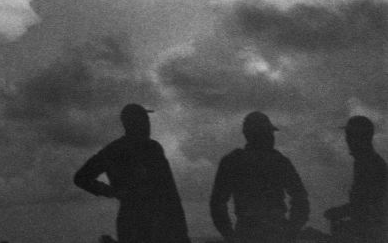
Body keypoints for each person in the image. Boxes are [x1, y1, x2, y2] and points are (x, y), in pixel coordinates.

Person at [73, 103, 190, 243]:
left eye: (147, 119)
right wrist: (112, 191)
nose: (148, 124)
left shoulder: (115, 150)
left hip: (137, 221)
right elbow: (170, 192)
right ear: (136, 123)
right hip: (151, 222)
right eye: (145, 119)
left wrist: (111, 191)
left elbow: (81, 178)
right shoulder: (151, 149)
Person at [210, 111, 309, 242]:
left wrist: (230, 236)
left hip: (249, 233)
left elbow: (217, 204)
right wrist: (291, 231)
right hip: (275, 232)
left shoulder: (232, 161)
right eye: (269, 133)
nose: (272, 137)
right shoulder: (279, 161)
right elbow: (300, 199)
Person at [324, 115, 387, 242]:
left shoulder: (370, 165)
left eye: (350, 135)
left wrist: (340, 212)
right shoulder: (366, 162)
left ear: (361, 137)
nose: (347, 140)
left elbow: (367, 206)